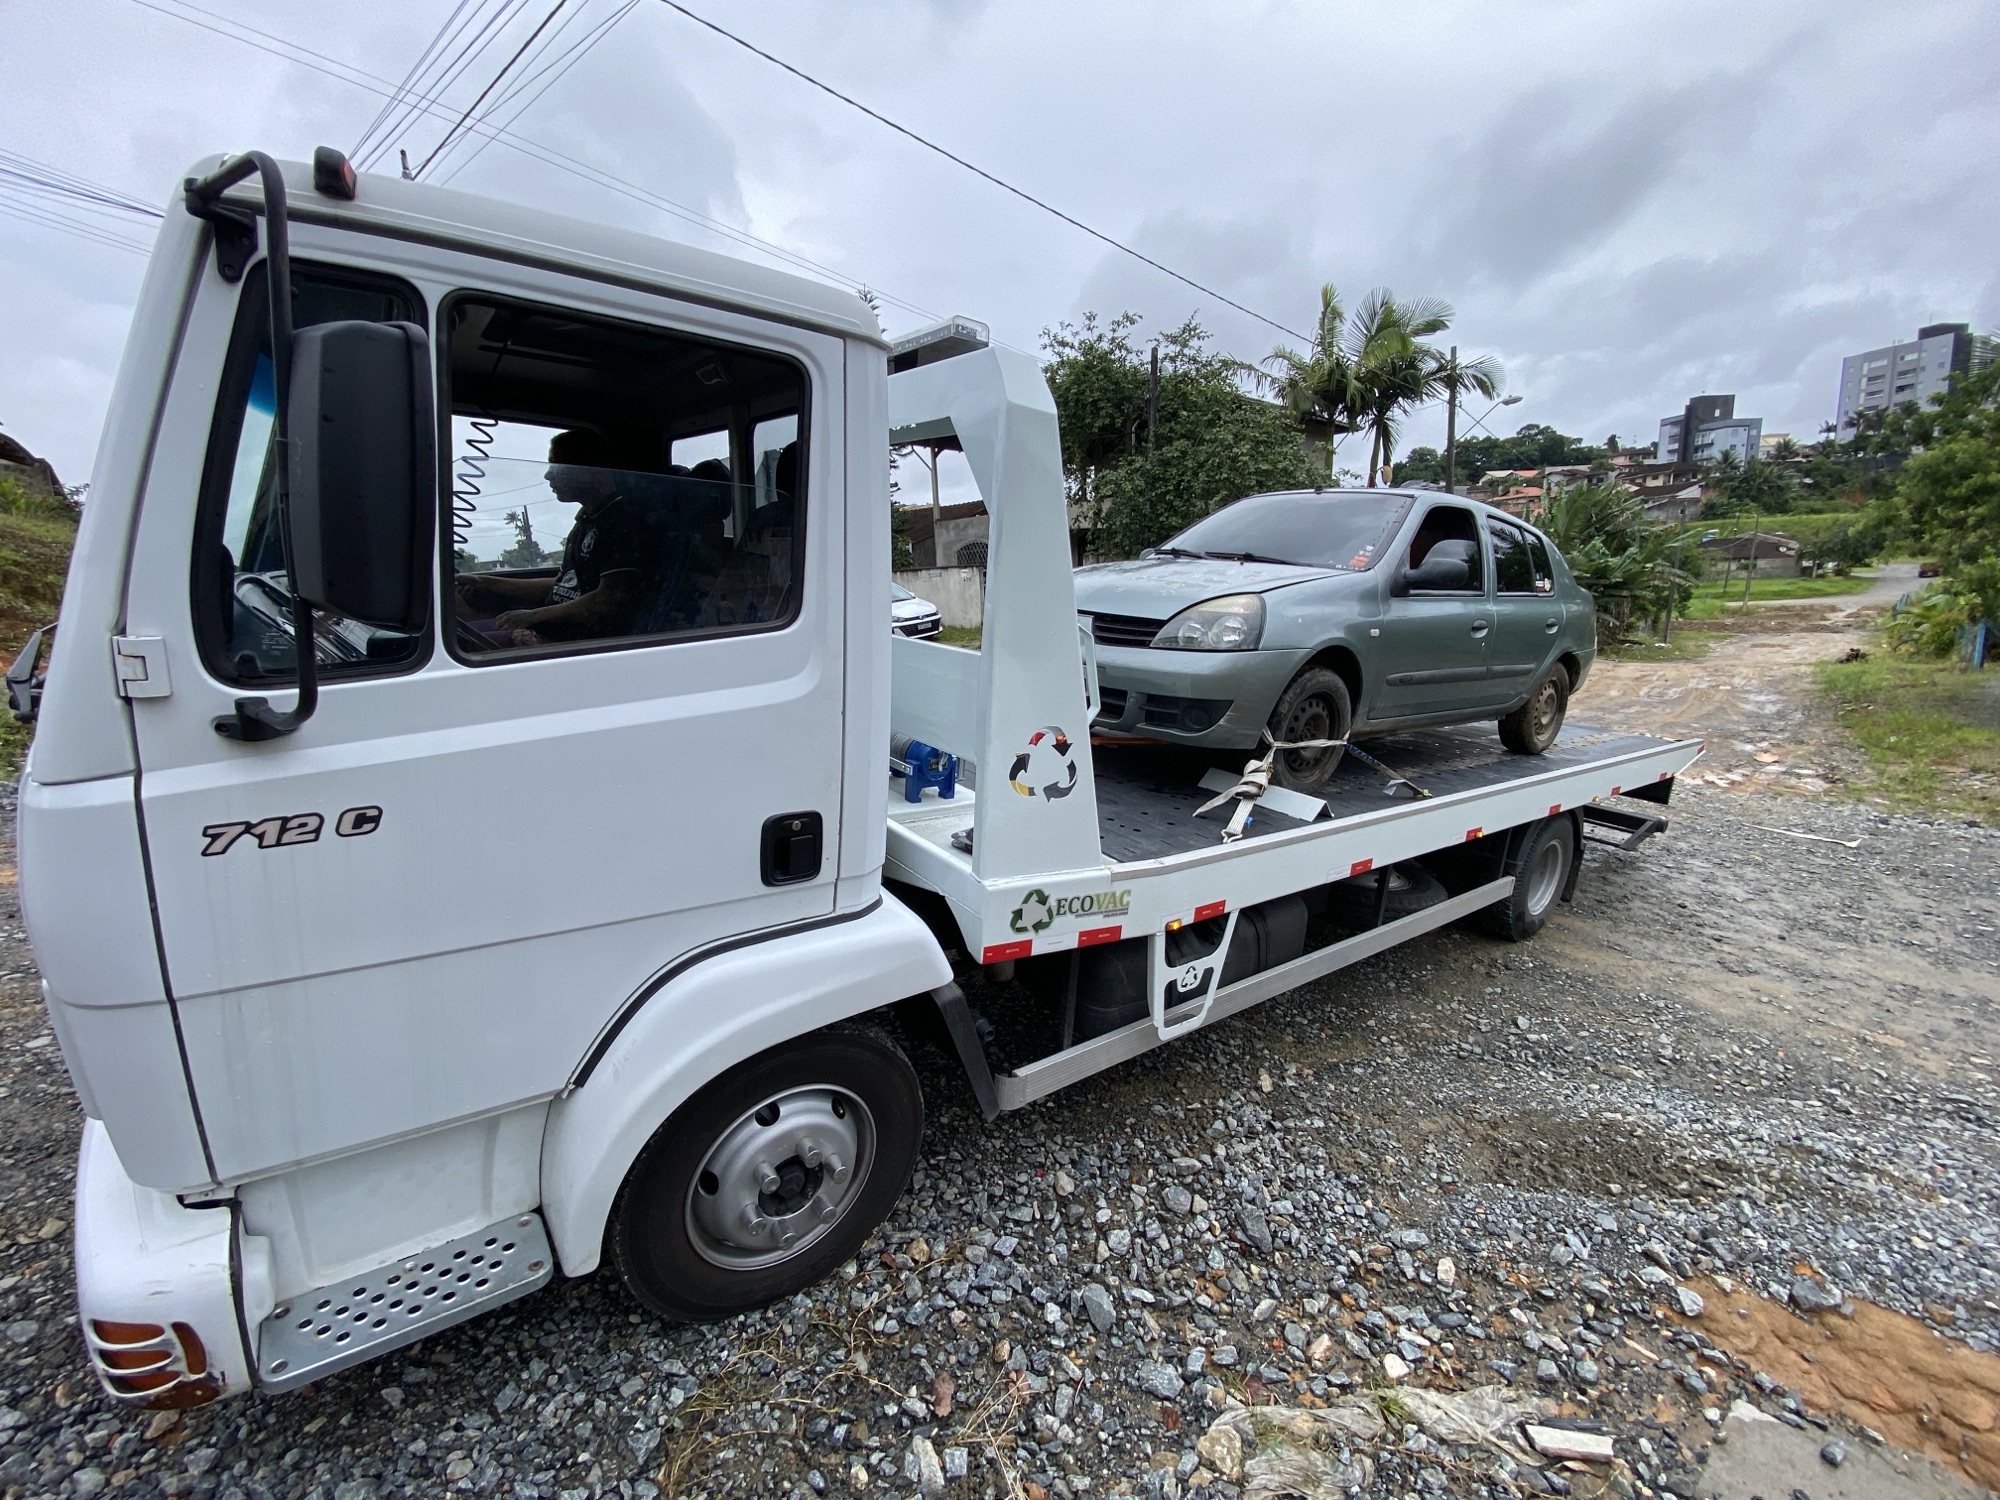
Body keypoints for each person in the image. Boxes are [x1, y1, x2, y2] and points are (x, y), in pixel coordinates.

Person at [456, 429, 654, 645]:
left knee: (461, 646)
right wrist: (485, 582)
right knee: (458, 631)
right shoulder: (587, 521)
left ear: (590, 468)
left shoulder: (620, 522)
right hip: (552, 629)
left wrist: (534, 616)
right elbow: (562, 585)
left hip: (577, 641)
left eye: (558, 464)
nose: (548, 474)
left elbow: (611, 597)